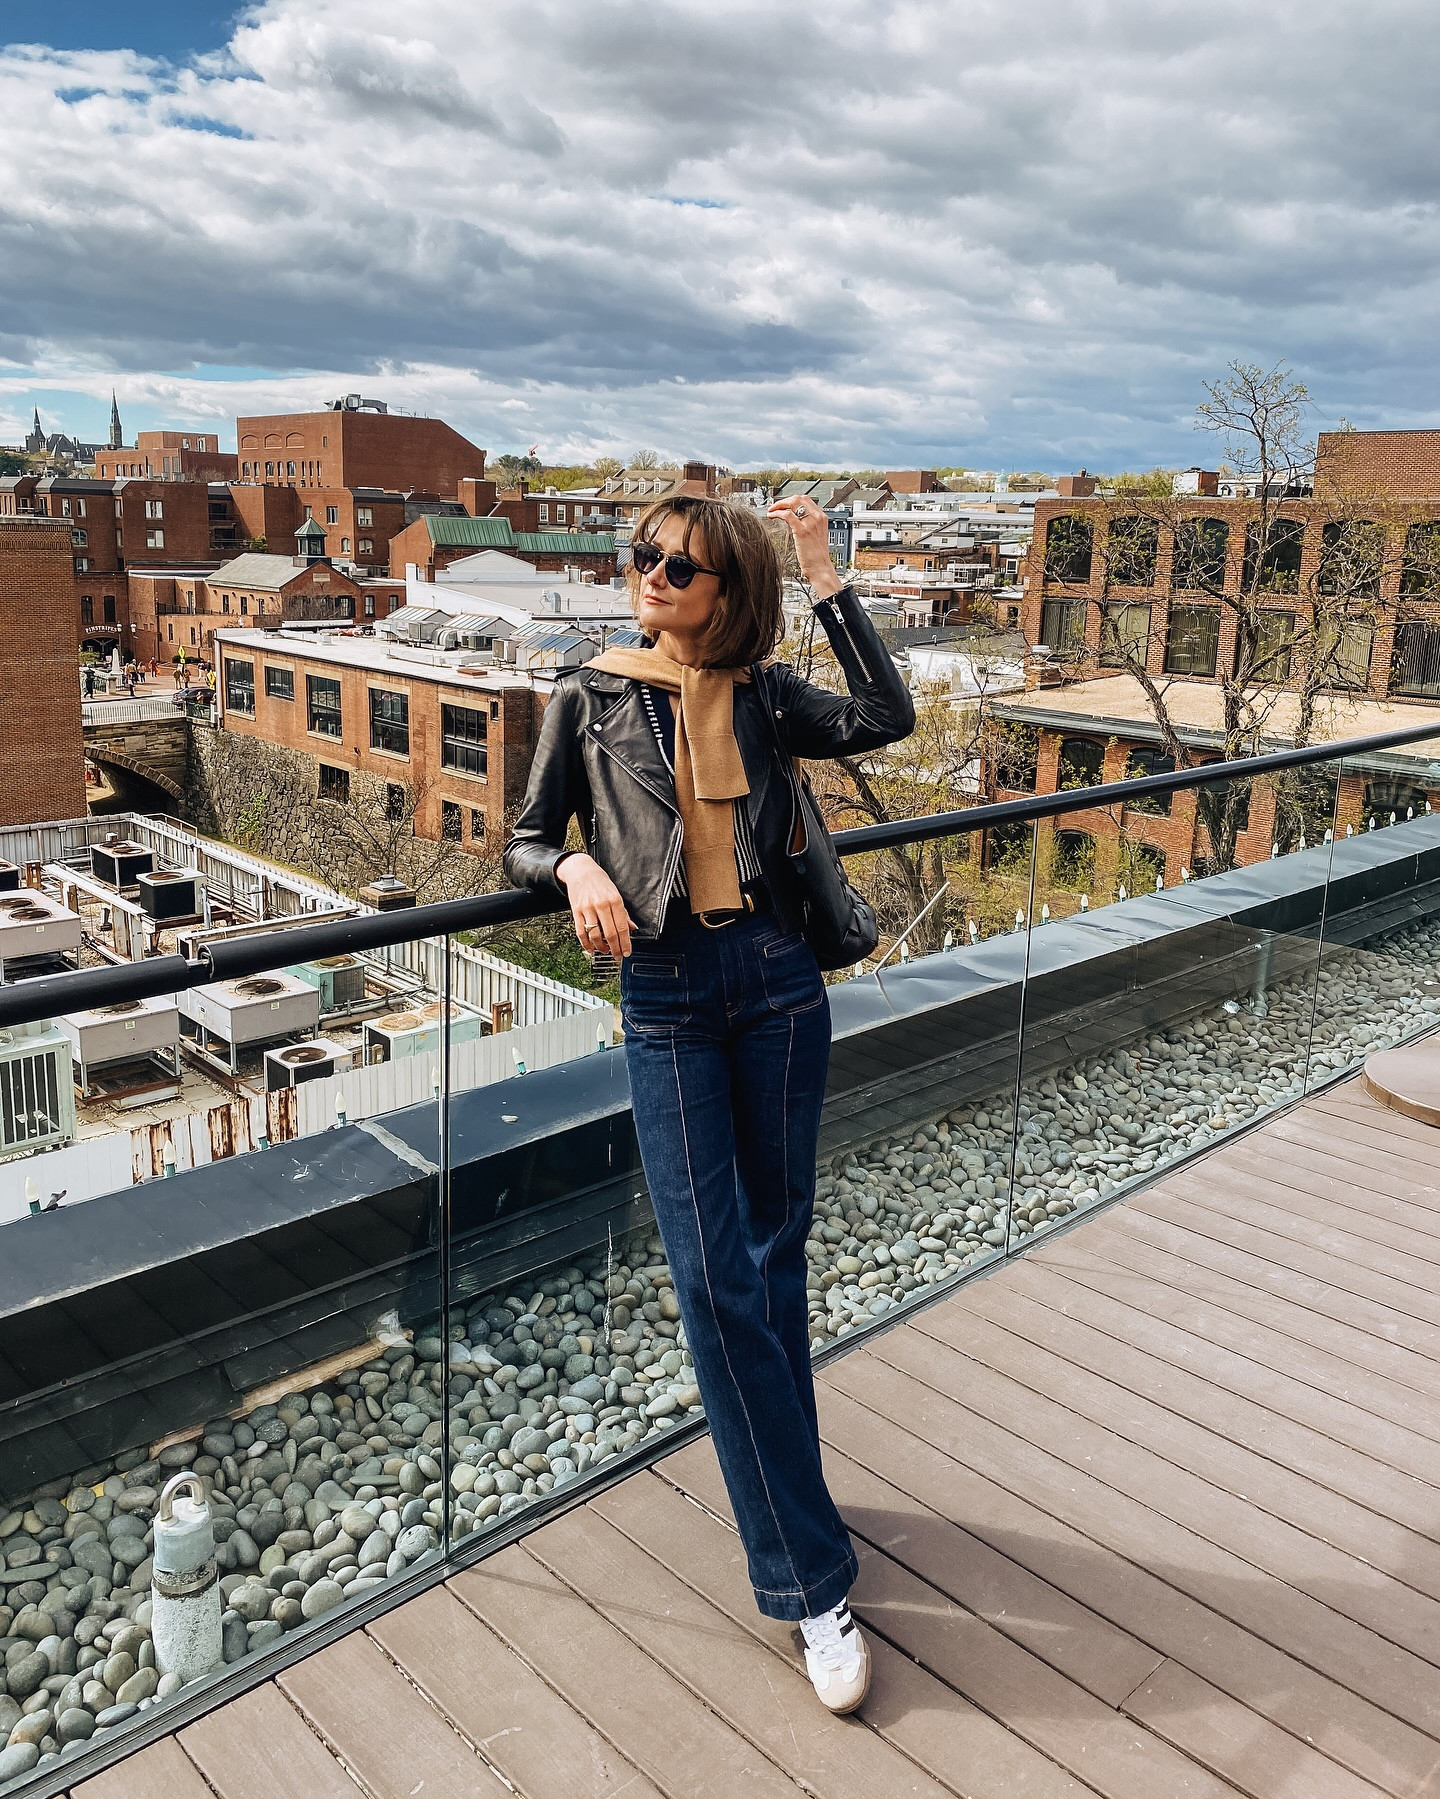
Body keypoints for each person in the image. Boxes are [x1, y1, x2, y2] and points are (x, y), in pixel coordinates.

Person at [505, 494, 914, 1714]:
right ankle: (808, 1579)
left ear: (727, 587)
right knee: (712, 1280)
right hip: (671, 994)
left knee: (773, 1259)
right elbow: (525, 840)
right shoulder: (588, 694)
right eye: (642, 555)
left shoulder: (767, 692)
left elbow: (888, 715)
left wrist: (827, 574)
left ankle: (795, 1505)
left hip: (780, 982)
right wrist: (576, 862)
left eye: (677, 563)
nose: (651, 574)